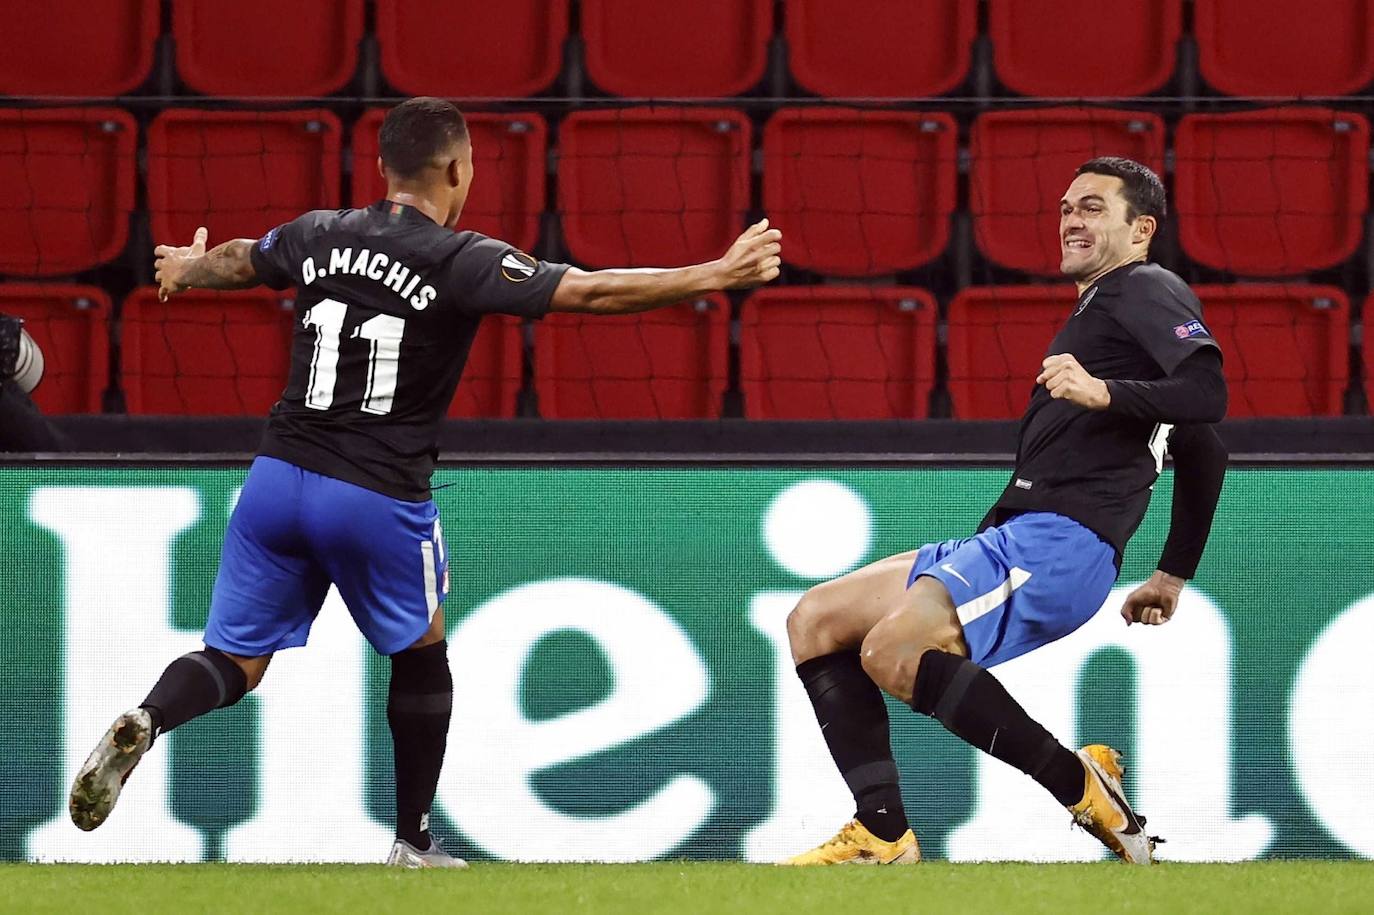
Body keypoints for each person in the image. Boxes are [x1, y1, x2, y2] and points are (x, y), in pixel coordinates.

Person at [68, 97, 783, 868]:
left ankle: (149, 716)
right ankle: (412, 841)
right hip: (373, 491)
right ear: (456, 170)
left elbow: (243, 257)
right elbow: (591, 291)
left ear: (381, 167)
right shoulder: (461, 257)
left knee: (234, 659)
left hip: (275, 478)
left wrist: (186, 269)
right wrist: (718, 272)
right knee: (421, 654)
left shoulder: (319, 232)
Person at [783, 157, 1228, 866]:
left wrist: (1104, 393)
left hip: (1063, 542)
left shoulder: (1143, 286)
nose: (1071, 220)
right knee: (817, 619)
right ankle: (881, 831)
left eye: (1092, 207)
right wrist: (1171, 575)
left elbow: (1208, 394)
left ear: (1141, 229)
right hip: (1022, 532)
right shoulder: (1105, 312)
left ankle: (1081, 788)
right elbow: (1204, 446)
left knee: (891, 652)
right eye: (1066, 208)